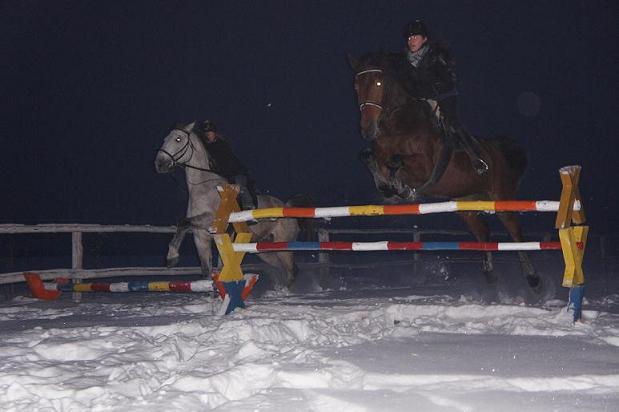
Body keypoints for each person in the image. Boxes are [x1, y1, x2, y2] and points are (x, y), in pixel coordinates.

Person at [402, 20, 488, 175]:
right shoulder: (406, 61)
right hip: (423, 98)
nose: (411, 41)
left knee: (452, 123)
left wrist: (432, 90)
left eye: (415, 37)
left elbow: (447, 78)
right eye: (409, 38)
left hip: (444, 94)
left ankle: (477, 158)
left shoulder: (436, 55)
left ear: (425, 39)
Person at [197, 120, 256, 210]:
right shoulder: (206, 148)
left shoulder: (222, 145)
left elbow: (229, 163)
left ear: (215, 133)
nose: (208, 135)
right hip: (221, 175)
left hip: (236, 172)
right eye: (206, 133)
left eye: (210, 132)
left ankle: (249, 206)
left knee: (239, 185)